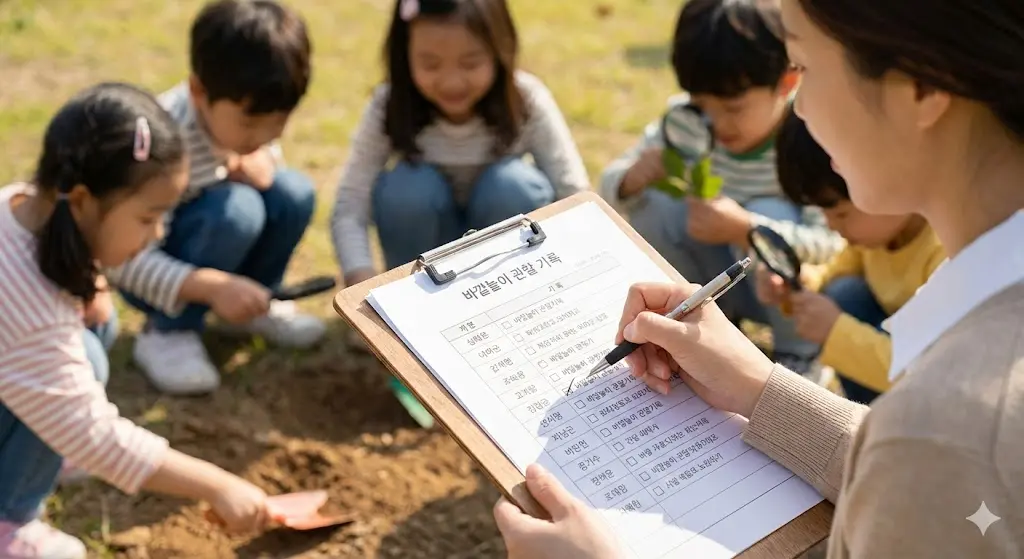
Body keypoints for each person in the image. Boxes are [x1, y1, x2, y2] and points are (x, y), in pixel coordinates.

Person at [494, 0, 1024, 556]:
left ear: (919, 84)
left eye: (806, 68)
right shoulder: (951, 417)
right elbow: (925, 486)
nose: (798, 110)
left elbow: (929, 467)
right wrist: (759, 387)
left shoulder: (952, 424)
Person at [0, 83, 270, 559]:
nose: (158, 234)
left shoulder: (16, 207)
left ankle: (40, 449)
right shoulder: (30, 316)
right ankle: (9, 518)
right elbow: (97, 436)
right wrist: (218, 485)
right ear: (81, 200)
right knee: (79, 363)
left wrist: (90, 282)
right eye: (148, 218)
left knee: (91, 333)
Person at [598, 0, 843, 374]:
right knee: (656, 200)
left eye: (733, 109)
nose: (715, 123)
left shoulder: (808, 136)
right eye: (701, 104)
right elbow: (612, 185)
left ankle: (799, 354)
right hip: (715, 278)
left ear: (787, 81)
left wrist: (745, 228)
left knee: (770, 215)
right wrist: (636, 176)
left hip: (782, 296)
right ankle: (698, 323)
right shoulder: (686, 124)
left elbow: (830, 246)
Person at [106, 0, 324, 396]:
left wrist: (262, 167)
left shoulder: (244, 123)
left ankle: (257, 304)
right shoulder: (164, 145)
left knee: (292, 192)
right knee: (236, 211)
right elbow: (124, 261)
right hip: (155, 267)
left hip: (213, 252)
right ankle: (169, 332)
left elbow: (267, 168)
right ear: (198, 91)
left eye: (279, 122)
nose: (265, 137)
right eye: (250, 123)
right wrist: (210, 287)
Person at [330, 0, 589, 287]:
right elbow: (350, 204)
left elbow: (575, 196)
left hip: (506, 267)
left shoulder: (525, 100)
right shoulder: (389, 106)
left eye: (471, 63)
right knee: (407, 190)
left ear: (500, 50)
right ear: (404, 55)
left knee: (512, 186)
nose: (452, 82)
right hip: (421, 268)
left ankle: (519, 296)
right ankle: (410, 302)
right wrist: (360, 278)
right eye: (430, 64)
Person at [754, 108, 946, 404]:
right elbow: (834, 273)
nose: (832, 225)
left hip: (937, 385)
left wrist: (836, 332)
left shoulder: (945, 250)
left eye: (841, 213)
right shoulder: (878, 237)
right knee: (843, 292)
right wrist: (800, 283)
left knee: (843, 300)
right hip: (903, 367)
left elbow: (932, 369)